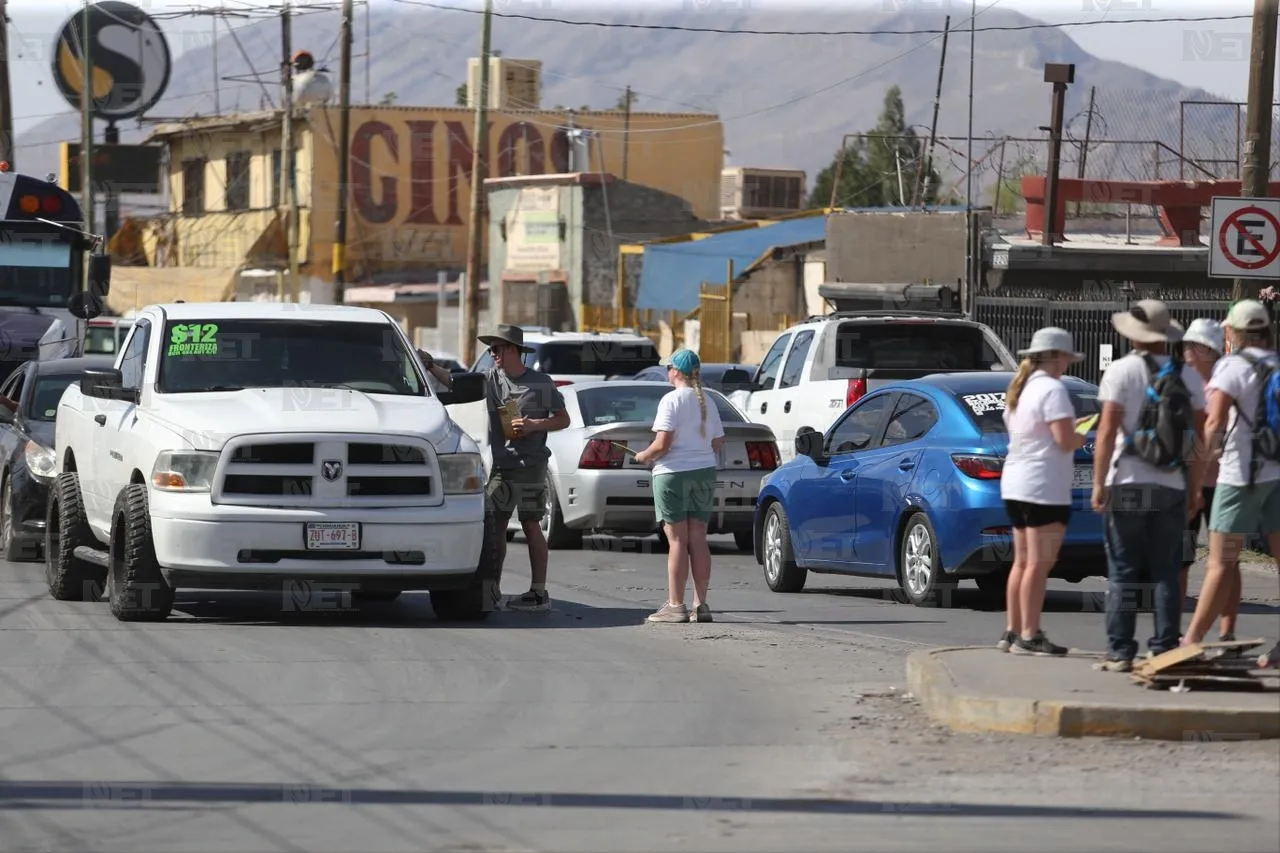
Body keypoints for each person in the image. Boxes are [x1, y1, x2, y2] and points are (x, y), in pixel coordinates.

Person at [1092, 299, 1207, 672]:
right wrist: (1193, 487)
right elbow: (1195, 437)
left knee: (1123, 570)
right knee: (1167, 570)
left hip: (1126, 480)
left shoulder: (1120, 372)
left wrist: (1098, 483)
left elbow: (1107, 431)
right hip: (1171, 484)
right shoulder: (1188, 376)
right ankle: (1163, 647)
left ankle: (1121, 650)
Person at [1182, 300, 1280, 645]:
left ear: (1234, 332)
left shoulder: (1232, 367)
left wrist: (1196, 481)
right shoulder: (1277, 363)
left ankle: (1191, 642)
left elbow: (1214, 423)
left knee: (1221, 561)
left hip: (1239, 475)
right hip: (1276, 475)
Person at [997, 328, 1087, 657]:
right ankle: (1030, 634)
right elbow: (1064, 440)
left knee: (1022, 562)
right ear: (1057, 356)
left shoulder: (1020, 388)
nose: (1067, 363)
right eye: (1066, 357)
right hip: (1044, 486)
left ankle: (1012, 630)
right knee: (1039, 563)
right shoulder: (1053, 390)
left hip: (1015, 483)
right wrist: (1083, 435)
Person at [475, 324, 569, 613]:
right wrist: (429, 366)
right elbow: (456, 382)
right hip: (503, 466)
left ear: (513, 350)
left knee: (531, 524)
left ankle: (538, 593)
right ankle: (492, 590)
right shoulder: (492, 379)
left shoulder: (540, 383)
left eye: (497, 349)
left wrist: (533, 425)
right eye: (491, 349)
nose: (492, 354)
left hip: (531, 465)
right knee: (494, 527)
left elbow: (563, 419)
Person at [633, 348, 725, 624]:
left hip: (673, 474)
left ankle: (676, 605)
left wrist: (642, 456)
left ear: (675, 371)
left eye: (668, 368)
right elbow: (718, 441)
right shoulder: (707, 400)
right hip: (704, 473)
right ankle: (702, 604)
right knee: (698, 538)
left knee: (677, 540)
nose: (666, 373)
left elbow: (662, 444)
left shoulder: (670, 400)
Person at [1178, 319, 1239, 639]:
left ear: (1207, 350)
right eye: (1186, 344)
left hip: (1221, 482)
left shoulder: (1223, 383)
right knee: (1182, 558)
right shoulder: (1181, 382)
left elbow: (1221, 434)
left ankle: (1227, 631)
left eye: (1192, 345)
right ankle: (1173, 630)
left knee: (1227, 559)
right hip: (1188, 481)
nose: (1186, 350)